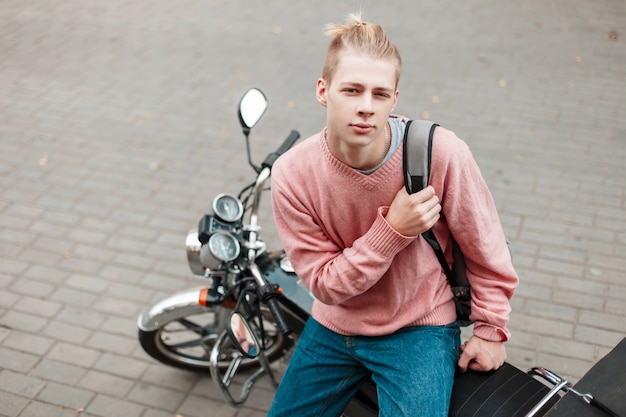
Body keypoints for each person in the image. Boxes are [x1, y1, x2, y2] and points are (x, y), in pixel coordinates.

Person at [268, 12, 518, 417]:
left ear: (395, 100)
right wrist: (392, 231)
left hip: (419, 329)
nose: (366, 107)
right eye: (352, 90)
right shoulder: (293, 174)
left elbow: (486, 249)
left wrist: (492, 331)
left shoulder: (439, 153)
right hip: (334, 324)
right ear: (323, 90)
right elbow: (324, 285)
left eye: (379, 94)